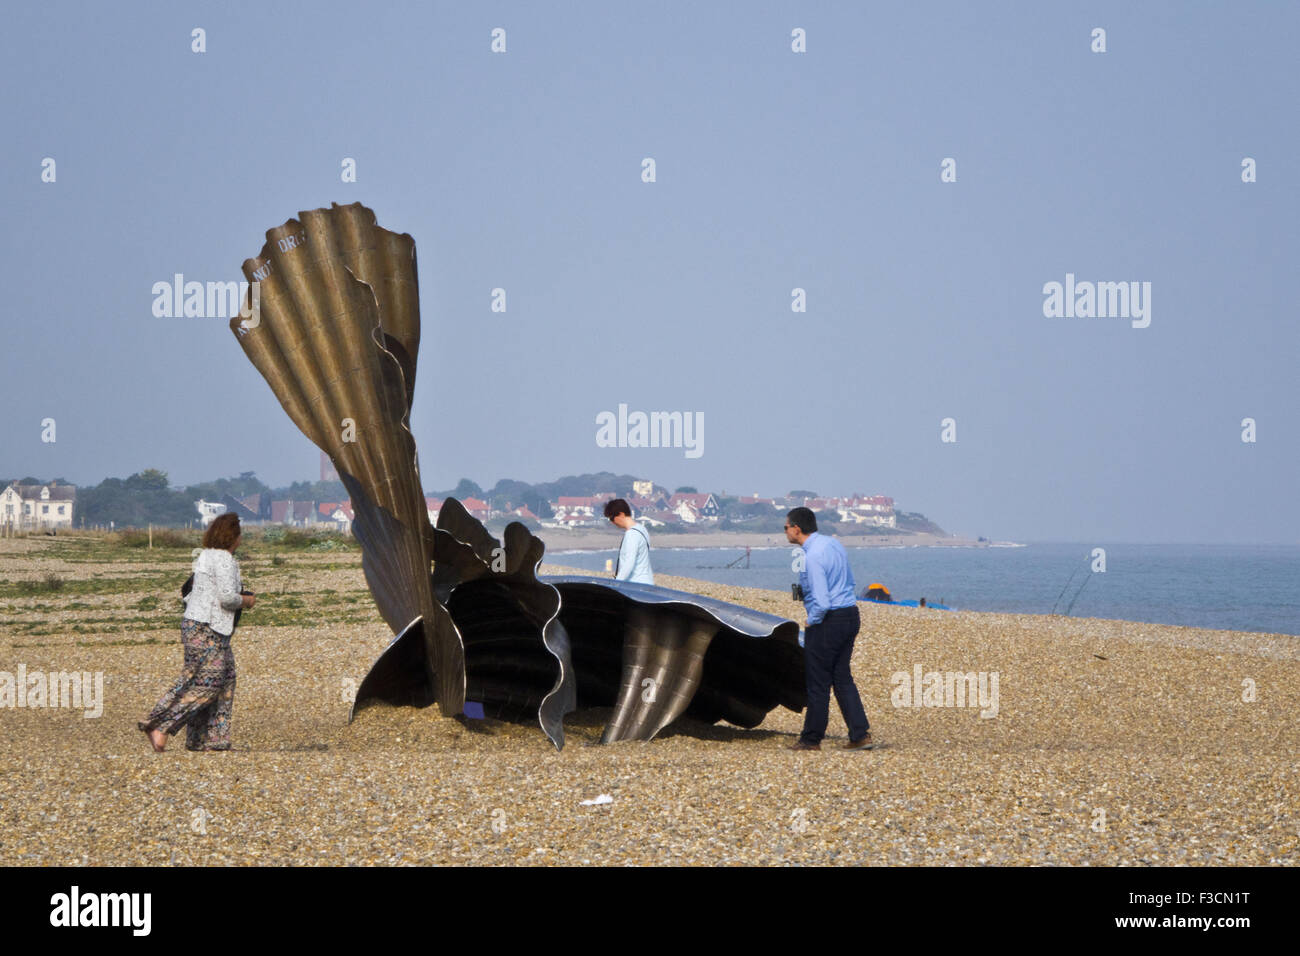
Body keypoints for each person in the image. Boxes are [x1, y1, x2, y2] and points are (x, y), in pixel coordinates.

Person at [138, 513, 254, 752]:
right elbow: (227, 598)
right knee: (209, 684)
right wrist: (247, 600)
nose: (241, 539)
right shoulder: (223, 559)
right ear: (233, 536)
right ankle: (160, 726)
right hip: (207, 628)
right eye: (239, 534)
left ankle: (207, 740)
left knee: (225, 679)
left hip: (200, 626)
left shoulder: (206, 555)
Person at [784, 507, 872, 751]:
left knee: (818, 682)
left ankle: (811, 739)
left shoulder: (812, 557)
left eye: (786, 527)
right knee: (842, 677)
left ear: (797, 529)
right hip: (850, 614)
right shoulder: (833, 544)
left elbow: (821, 600)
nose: (785, 532)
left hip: (828, 620)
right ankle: (860, 734)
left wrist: (812, 619)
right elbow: (848, 581)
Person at [604, 498, 653, 585]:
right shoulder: (642, 529)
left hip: (636, 585)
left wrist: (616, 584)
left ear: (621, 514)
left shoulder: (631, 534)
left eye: (611, 518)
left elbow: (629, 563)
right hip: (647, 582)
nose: (612, 522)